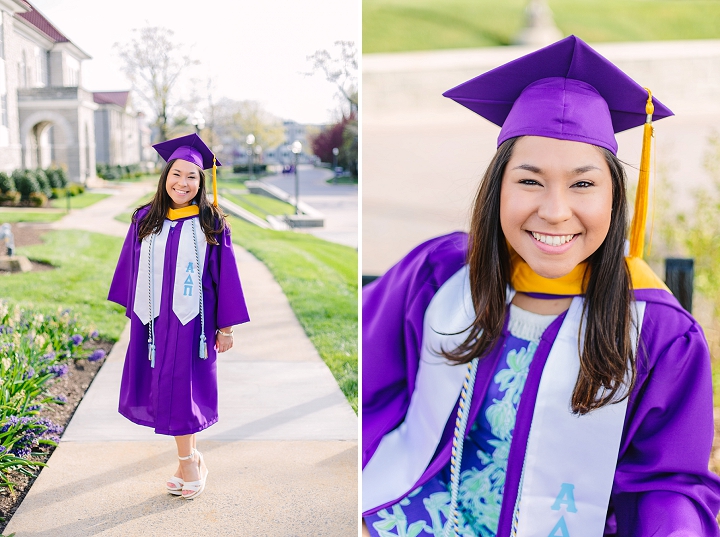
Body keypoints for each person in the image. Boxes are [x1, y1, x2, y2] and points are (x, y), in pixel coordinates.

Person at [362, 36, 720, 536]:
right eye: (530, 181)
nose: (554, 211)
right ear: (498, 189)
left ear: (615, 198)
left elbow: (665, 486)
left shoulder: (658, 330)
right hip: (415, 517)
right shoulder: (441, 274)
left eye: (583, 183)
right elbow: (371, 387)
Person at [108, 133, 250, 500]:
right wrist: (137, 314)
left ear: (202, 183)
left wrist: (227, 326)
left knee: (181, 394)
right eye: (177, 174)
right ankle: (191, 459)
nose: (182, 183)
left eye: (192, 177)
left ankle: (189, 462)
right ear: (165, 176)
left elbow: (226, 277)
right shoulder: (145, 218)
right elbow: (130, 267)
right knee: (165, 393)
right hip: (154, 324)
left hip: (192, 325)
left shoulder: (211, 223)